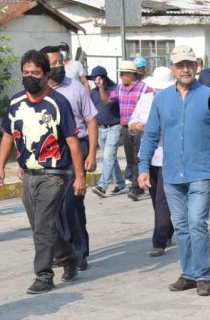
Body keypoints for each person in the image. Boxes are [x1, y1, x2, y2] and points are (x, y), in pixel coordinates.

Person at [0, 50, 85, 294]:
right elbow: (6, 136)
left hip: (54, 174)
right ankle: (68, 257)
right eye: (26, 73)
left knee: (43, 226)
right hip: (29, 174)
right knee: (40, 226)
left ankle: (44, 275)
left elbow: (73, 142)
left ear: (46, 75)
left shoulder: (58, 103)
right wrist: (1, 166)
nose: (30, 77)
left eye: (35, 73)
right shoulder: (15, 103)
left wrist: (79, 176)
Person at [138, 45, 210, 297]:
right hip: (171, 174)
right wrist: (142, 167)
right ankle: (188, 274)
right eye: (180, 65)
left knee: (197, 223)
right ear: (172, 68)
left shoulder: (209, 96)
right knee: (182, 226)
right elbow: (150, 135)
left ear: (196, 67)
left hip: (201, 172)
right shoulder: (161, 99)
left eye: (189, 64)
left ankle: (202, 275)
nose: (185, 69)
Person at [44, 47, 98, 271]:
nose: (57, 67)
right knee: (53, 205)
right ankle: (64, 249)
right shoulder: (39, 92)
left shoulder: (75, 87)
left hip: (77, 146)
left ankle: (79, 250)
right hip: (51, 152)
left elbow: (92, 120)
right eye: (52, 63)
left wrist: (93, 153)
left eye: (60, 62)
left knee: (71, 202)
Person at [129, 67, 175, 257]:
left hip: (168, 156)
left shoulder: (176, 101)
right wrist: (141, 126)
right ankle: (168, 227)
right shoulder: (146, 99)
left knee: (162, 199)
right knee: (155, 196)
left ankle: (159, 240)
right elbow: (132, 123)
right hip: (149, 155)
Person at [117, 60, 152, 201]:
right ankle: (134, 182)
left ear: (131, 74)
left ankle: (136, 187)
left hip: (140, 128)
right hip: (126, 127)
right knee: (130, 158)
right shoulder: (120, 88)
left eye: (123, 74)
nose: (121, 77)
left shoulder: (145, 89)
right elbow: (109, 100)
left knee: (138, 157)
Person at [89, 66, 125, 197]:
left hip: (114, 127)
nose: (95, 82)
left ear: (103, 78)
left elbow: (106, 102)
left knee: (108, 157)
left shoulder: (114, 89)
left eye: (97, 79)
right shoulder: (93, 92)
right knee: (111, 158)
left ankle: (102, 185)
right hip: (100, 128)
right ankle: (121, 184)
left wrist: (101, 88)